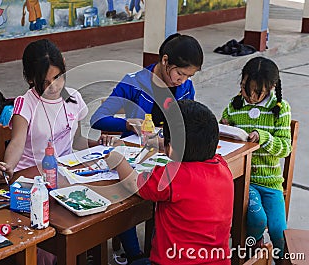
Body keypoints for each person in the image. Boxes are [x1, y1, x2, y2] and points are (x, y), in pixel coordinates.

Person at [104, 100, 234, 264]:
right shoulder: (221, 165)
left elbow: (133, 183)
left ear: (170, 146)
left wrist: (118, 159)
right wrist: (158, 143)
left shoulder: (173, 176)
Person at [0, 38, 114, 180]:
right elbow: (17, 144)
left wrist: (99, 144)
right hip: (32, 176)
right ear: (30, 79)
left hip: (65, 173)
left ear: (63, 65)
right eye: (45, 82)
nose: (54, 86)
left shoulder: (73, 98)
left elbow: (76, 140)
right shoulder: (25, 104)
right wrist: (7, 167)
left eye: (57, 77)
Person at [220, 56, 291, 260]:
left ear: (270, 88)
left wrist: (264, 138)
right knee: (257, 219)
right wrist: (224, 127)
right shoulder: (234, 106)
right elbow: (219, 138)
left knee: (279, 231)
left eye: (258, 92)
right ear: (241, 81)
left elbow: (285, 147)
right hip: (244, 180)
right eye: (245, 88)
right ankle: (252, 251)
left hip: (270, 182)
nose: (250, 96)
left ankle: (279, 260)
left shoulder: (280, 109)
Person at [90, 33, 203, 138]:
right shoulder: (133, 84)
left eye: (188, 76)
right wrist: (128, 125)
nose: (182, 81)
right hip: (136, 150)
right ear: (165, 60)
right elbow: (98, 119)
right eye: (180, 73)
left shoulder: (186, 88)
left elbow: (190, 120)